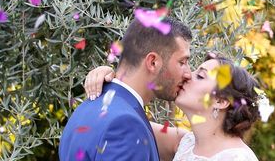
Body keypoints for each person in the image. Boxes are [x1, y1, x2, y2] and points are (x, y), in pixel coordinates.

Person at [59, 16, 193, 161]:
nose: (189, 73)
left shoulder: (86, 107)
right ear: (153, 62)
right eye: (182, 62)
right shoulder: (127, 125)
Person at [84, 53, 261, 161]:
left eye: (200, 76)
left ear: (221, 101)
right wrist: (110, 80)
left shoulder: (237, 158)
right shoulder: (185, 143)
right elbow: (120, 120)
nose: (187, 75)